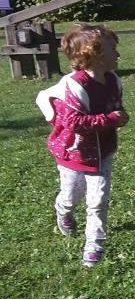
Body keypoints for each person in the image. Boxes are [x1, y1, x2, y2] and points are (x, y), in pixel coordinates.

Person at [35, 24, 129, 268]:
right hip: (74, 154)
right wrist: (111, 119)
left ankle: (94, 246)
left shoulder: (113, 81)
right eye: (112, 50)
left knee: (98, 200)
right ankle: (63, 210)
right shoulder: (74, 87)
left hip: (102, 153)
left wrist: (120, 116)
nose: (117, 54)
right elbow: (73, 122)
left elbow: (114, 107)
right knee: (71, 195)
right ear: (93, 55)